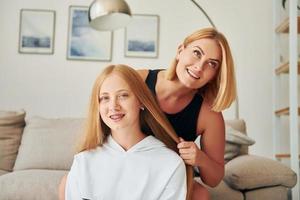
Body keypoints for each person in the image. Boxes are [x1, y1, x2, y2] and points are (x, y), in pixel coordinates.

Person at [60, 27, 236, 200]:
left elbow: (213, 180)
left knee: (200, 194)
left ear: (216, 74)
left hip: (163, 175)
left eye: (212, 64)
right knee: (67, 183)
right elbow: (106, 114)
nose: (199, 67)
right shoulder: (139, 80)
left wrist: (200, 158)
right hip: (122, 161)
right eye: (197, 53)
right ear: (180, 50)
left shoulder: (209, 114)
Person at [65, 64, 193, 200]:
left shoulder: (170, 164)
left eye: (123, 96)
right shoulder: (83, 161)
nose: (113, 106)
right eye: (105, 98)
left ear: (141, 101)